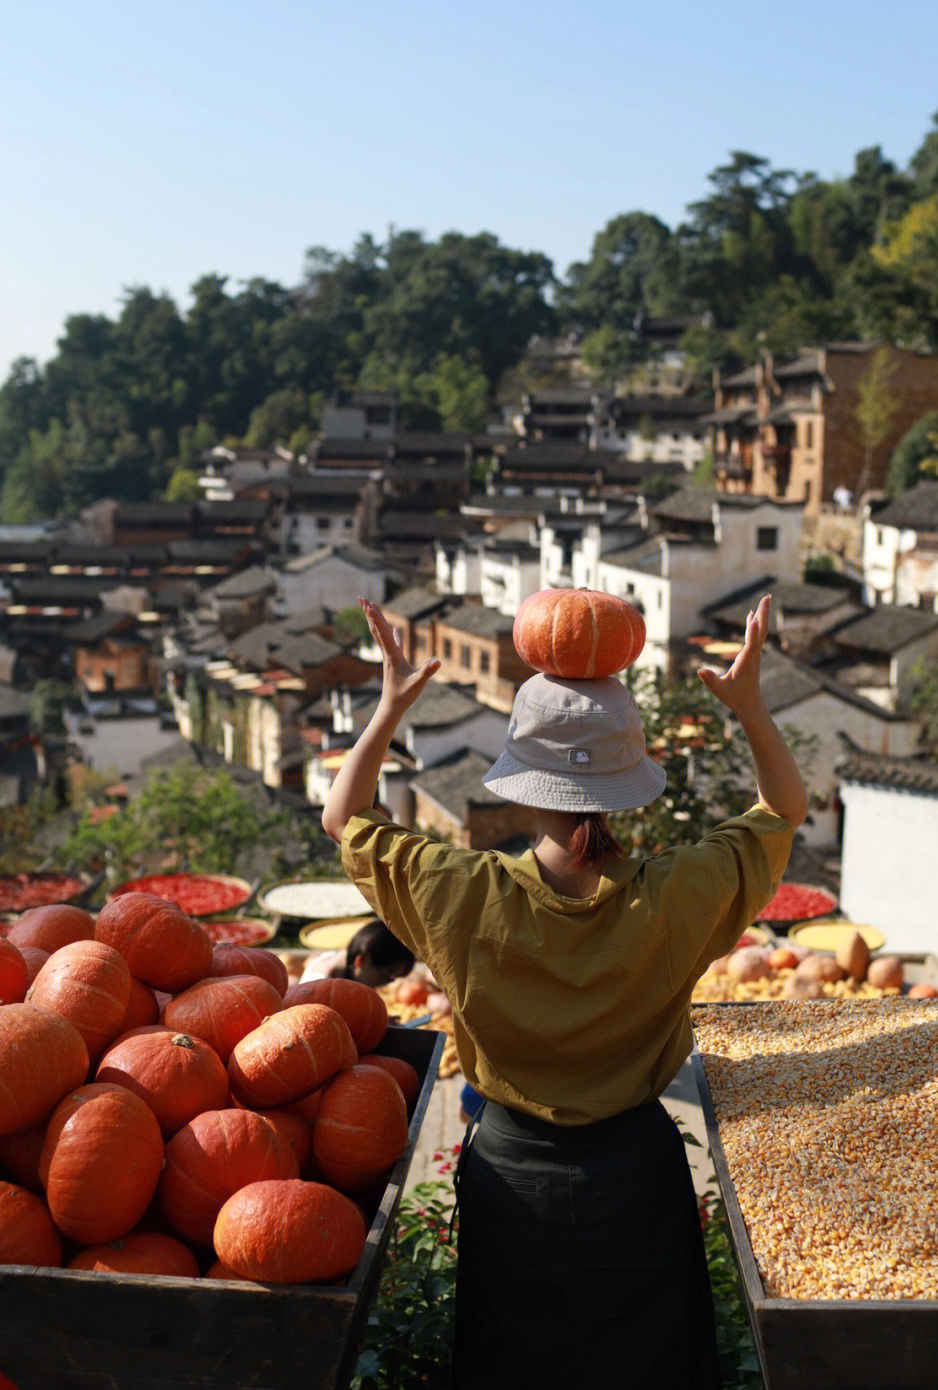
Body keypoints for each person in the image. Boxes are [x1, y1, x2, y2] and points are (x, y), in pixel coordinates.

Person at [322, 595, 807, 1390]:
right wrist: (750, 708)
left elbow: (343, 816)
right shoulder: (679, 893)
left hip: (512, 1183)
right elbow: (783, 809)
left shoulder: (459, 891)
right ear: (629, 780)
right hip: (636, 1179)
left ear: (521, 782)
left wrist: (389, 705)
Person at [305, 918, 415, 986]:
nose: (386, 984)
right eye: (384, 976)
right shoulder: (321, 986)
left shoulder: (339, 958)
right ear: (362, 960)